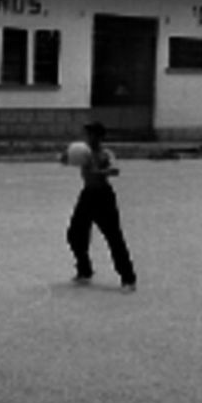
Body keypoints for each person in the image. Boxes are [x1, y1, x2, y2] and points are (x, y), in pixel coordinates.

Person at [64, 120, 137, 292]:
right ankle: (85, 269)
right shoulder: (84, 152)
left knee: (114, 237)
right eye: (86, 134)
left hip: (103, 197)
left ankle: (128, 279)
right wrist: (66, 157)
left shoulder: (105, 154)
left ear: (99, 137)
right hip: (87, 195)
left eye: (91, 134)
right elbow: (68, 159)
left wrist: (98, 171)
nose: (88, 138)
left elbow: (115, 169)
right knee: (75, 234)